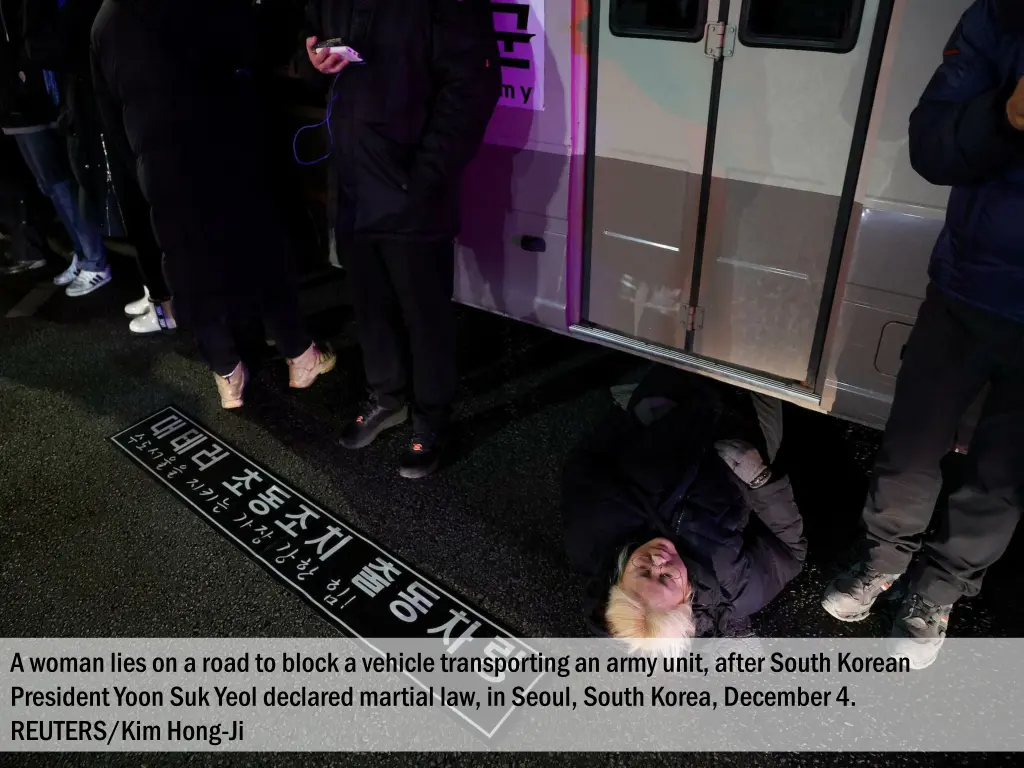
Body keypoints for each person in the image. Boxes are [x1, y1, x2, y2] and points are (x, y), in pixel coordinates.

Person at [822, 0, 1024, 670]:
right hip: (967, 286)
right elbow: (931, 145)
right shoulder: (1002, 18)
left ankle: (935, 595)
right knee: (910, 446)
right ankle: (881, 563)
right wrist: (1006, 115)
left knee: (1001, 482)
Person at [92, 0, 334, 406]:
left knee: (190, 267)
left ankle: (227, 374)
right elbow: (254, 46)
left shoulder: (106, 20)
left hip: (157, 162)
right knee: (260, 250)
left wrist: (142, 166)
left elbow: (110, 117)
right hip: (224, 145)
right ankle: (299, 355)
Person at [302, 0, 501, 479]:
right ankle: (386, 396)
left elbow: (474, 87)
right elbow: (315, 32)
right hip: (353, 177)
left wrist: (423, 177)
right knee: (369, 303)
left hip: (412, 188)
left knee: (425, 314)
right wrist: (313, 57)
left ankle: (431, 419)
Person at [562, 366, 806, 655]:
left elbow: (584, 463)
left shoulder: (590, 537)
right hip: (747, 424)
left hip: (672, 400)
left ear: (619, 579)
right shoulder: (736, 590)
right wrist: (761, 481)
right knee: (774, 355)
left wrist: (632, 420)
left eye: (641, 572)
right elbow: (791, 553)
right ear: (685, 599)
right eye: (666, 579)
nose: (657, 561)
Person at [0, 0, 109, 295]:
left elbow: (34, 36)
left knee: (61, 183)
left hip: (32, 99)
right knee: (50, 185)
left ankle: (95, 260)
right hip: (18, 101)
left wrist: (25, 77)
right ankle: (84, 254)